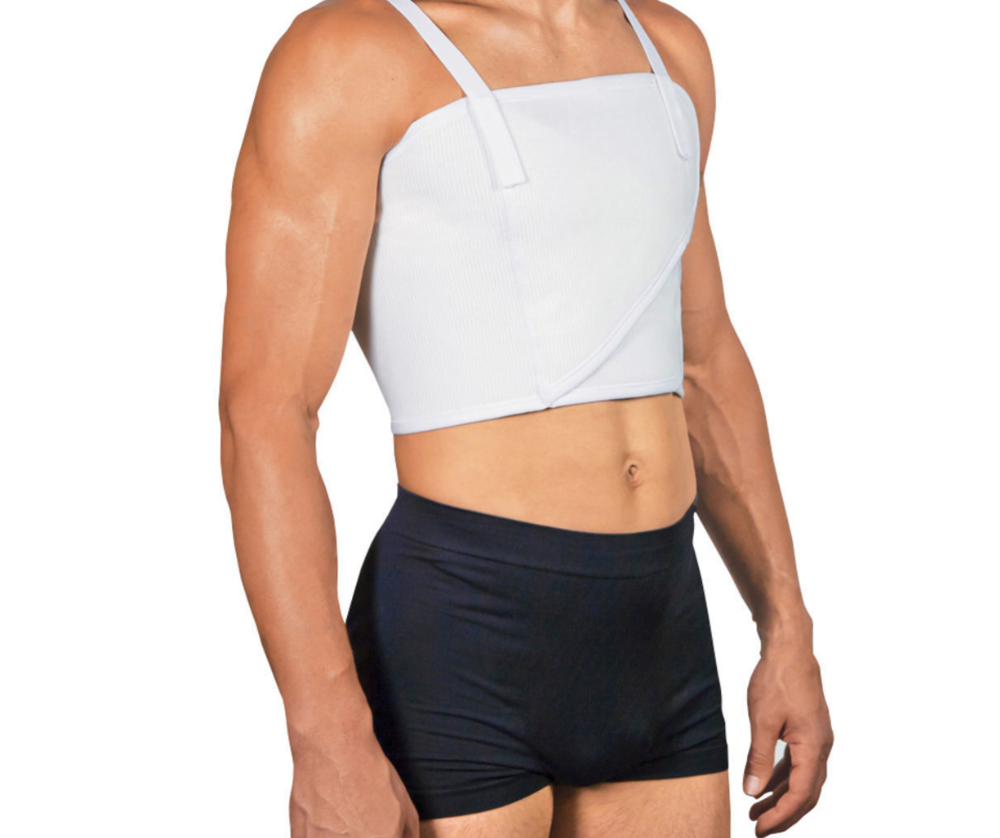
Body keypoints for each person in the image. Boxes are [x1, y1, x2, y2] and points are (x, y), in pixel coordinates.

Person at [219, 0, 833, 835]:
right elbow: (265, 412)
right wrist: (324, 733)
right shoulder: (351, 53)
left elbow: (705, 357)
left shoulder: (669, 49)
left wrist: (786, 625)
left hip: (660, 629)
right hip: (465, 630)